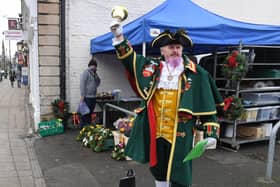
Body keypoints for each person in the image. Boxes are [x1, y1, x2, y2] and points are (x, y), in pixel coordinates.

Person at [110, 21, 224, 187]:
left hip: (180, 132)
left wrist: (211, 134)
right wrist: (119, 37)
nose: (175, 51)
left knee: (180, 169)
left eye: (178, 47)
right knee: (158, 167)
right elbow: (130, 59)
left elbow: (207, 107)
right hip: (156, 131)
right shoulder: (153, 68)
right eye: (171, 48)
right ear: (162, 51)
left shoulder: (197, 73)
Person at [79, 58, 101, 129]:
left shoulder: (95, 74)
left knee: (90, 113)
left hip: (93, 97)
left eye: (95, 66)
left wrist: (96, 75)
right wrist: (82, 95)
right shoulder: (86, 72)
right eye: (93, 66)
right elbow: (82, 84)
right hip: (87, 97)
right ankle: (82, 128)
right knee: (85, 113)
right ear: (89, 66)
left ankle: (88, 128)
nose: (94, 67)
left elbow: (98, 83)